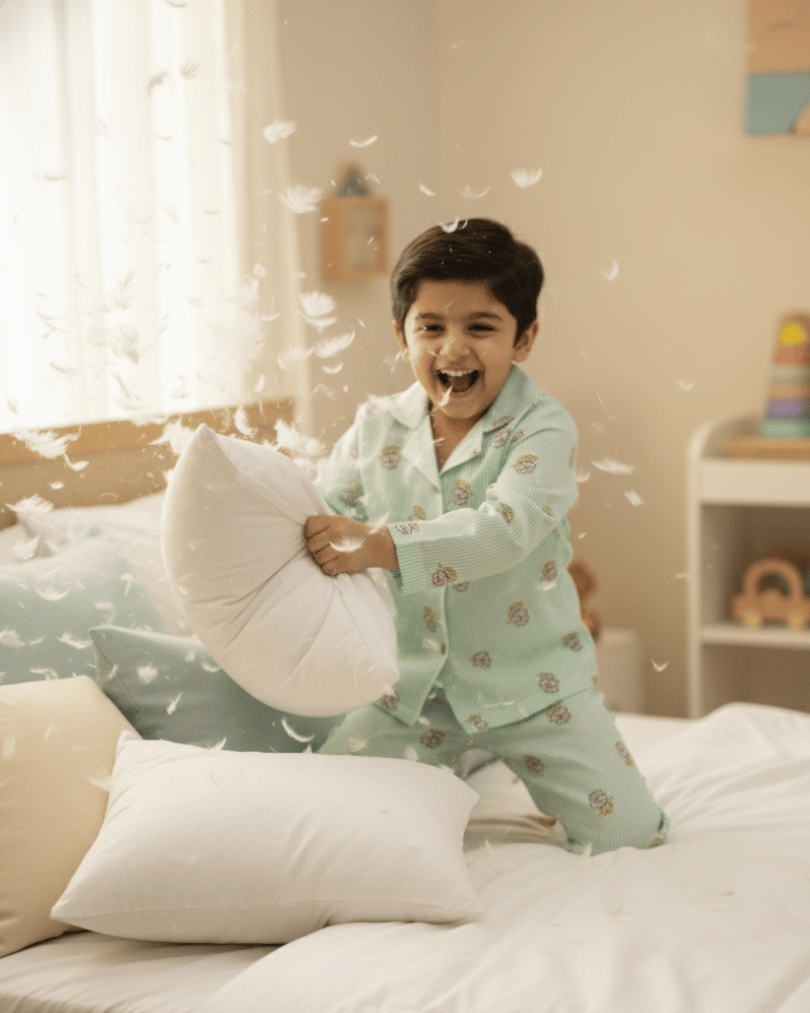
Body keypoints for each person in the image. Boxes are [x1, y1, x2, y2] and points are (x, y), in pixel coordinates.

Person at [305, 218, 668, 855]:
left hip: (534, 686)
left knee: (632, 836)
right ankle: (456, 769)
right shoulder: (374, 429)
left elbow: (501, 532)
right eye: (431, 327)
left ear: (523, 338)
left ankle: (505, 768)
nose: (453, 349)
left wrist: (379, 545)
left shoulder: (543, 430)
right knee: (326, 825)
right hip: (412, 692)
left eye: (480, 327)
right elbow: (322, 511)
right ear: (401, 335)